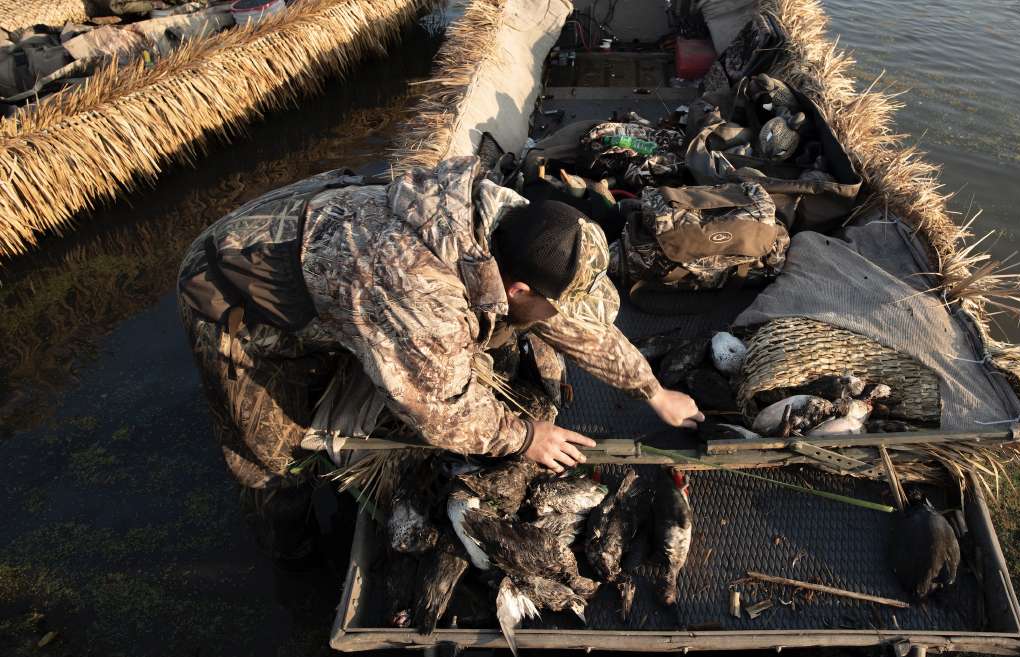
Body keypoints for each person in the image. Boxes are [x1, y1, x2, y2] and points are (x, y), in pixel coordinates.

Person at [176, 156, 702, 559]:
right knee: (271, 452)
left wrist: (651, 390)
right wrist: (525, 436)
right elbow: (441, 410)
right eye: (550, 303)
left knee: (375, 344)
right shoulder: (421, 294)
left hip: (332, 259)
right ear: (519, 288)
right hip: (235, 292)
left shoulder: (517, 223)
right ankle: (292, 553)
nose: (558, 315)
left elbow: (569, 322)